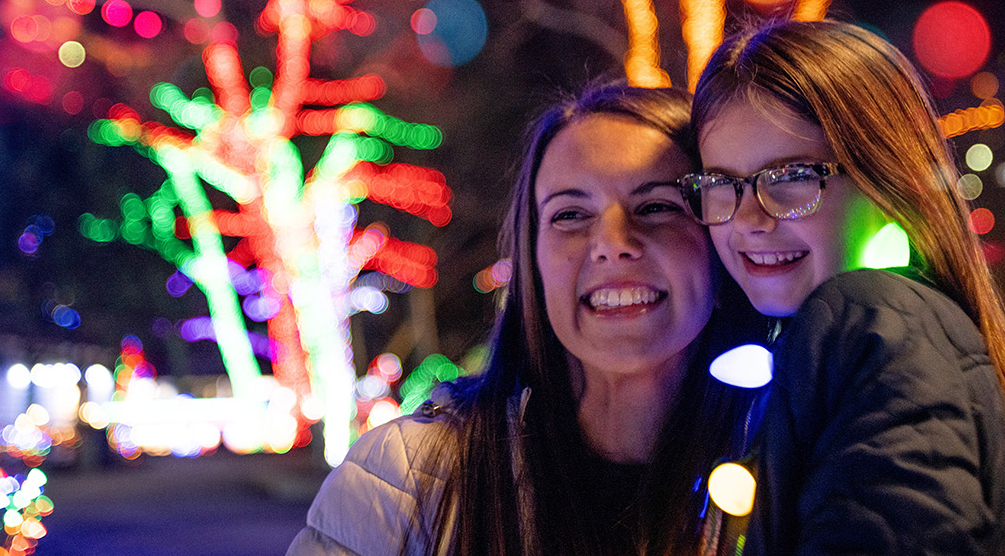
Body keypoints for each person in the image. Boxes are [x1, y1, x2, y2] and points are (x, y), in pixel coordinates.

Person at [287, 83, 766, 556]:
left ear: (721, 241)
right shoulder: (406, 478)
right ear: (531, 264)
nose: (613, 242)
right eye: (570, 215)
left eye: (657, 206)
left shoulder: (795, 467)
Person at [684, 18, 1005, 555]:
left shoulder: (875, 323)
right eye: (720, 184)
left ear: (884, 178)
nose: (749, 219)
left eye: (790, 177)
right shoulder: (873, 336)